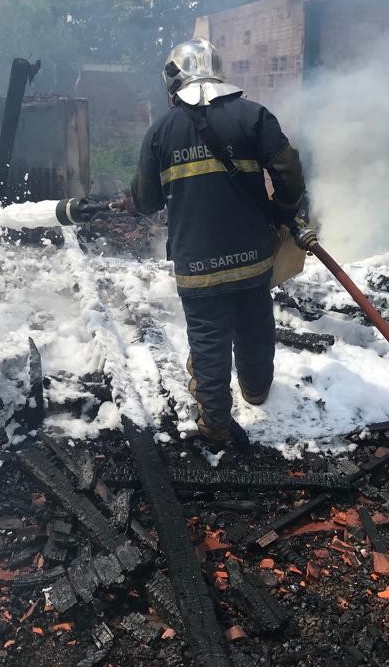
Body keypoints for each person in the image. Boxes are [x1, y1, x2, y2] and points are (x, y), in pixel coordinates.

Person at [131, 37, 306, 447]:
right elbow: (290, 174)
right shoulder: (254, 116)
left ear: (173, 79)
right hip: (253, 257)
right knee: (256, 325)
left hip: (198, 263)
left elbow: (145, 201)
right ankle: (257, 390)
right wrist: (282, 212)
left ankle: (215, 424)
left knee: (208, 341)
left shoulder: (160, 131)